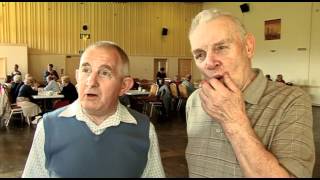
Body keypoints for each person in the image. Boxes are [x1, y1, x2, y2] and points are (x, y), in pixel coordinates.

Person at [185, 8, 315, 178]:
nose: (209, 62)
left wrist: (233, 121)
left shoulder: (291, 101)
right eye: (200, 54)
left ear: (248, 47)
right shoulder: (195, 101)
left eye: (221, 47)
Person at [22, 41, 165, 178]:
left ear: (124, 86)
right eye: (86, 70)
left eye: (104, 73)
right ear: (77, 76)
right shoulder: (48, 127)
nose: (91, 81)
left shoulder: (144, 130)